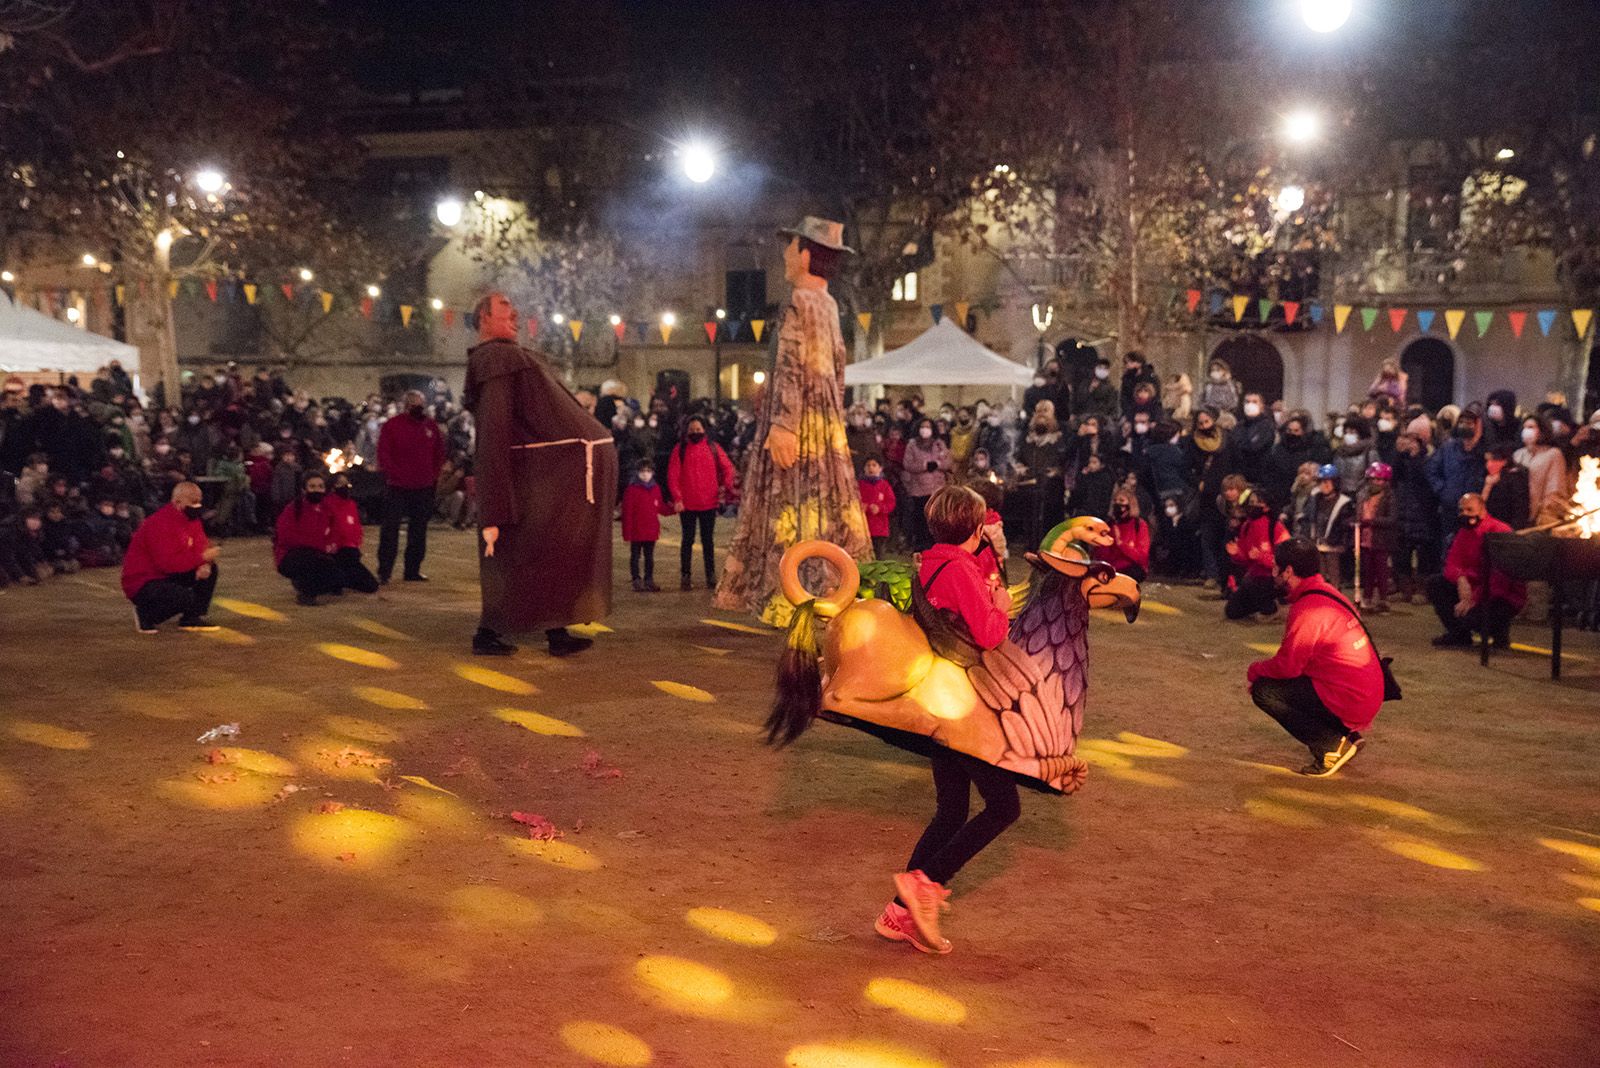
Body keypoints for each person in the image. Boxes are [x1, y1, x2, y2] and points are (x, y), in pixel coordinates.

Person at [878, 485, 1020, 954]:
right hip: (964, 701)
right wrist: (999, 607)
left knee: (952, 811)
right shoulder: (959, 567)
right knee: (1003, 807)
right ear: (977, 528)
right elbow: (988, 633)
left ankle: (899, 914)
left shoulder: (932, 561)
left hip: (941, 696)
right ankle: (927, 887)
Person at [713, 218, 871, 625]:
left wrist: (783, 424)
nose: (784, 255)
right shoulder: (831, 305)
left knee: (789, 507)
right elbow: (839, 368)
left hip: (798, 420)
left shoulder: (798, 302)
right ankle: (832, 589)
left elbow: (788, 368)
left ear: (805, 253)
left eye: (790, 247)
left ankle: (791, 594)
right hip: (825, 423)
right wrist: (834, 421)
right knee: (827, 507)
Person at [467, 292, 618, 657]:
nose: (515, 312)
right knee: (517, 559)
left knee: (551, 556)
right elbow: (494, 429)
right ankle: (488, 633)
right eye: (504, 307)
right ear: (484, 319)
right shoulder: (498, 360)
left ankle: (556, 628)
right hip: (529, 484)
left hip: (547, 480)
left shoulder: (510, 357)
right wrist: (497, 498)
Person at [1246, 538, 1382, 777]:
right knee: (1301, 682)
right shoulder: (1327, 592)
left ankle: (1330, 747)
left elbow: (1288, 667)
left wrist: (1254, 671)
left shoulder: (1309, 607)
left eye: (1277, 567)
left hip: (1352, 696)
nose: (1273, 571)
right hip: (1364, 690)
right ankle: (1345, 736)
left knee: (1264, 690)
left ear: (1288, 571)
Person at [120, 482, 221, 634]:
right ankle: (146, 615)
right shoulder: (159, 524)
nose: (198, 505)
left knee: (210, 571)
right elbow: (167, 564)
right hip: (144, 580)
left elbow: (201, 544)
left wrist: (205, 563)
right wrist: (201, 558)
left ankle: (191, 618)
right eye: (193, 502)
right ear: (177, 502)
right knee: (184, 597)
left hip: (166, 573)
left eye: (199, 501)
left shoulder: (191, 519)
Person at [1428, 493, 1525, 649]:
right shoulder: (1464, 532)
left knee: (1473, 618)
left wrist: (1473, 598)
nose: (1464, 514)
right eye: (1462, 510)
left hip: (1499, 595)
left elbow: (1500, 579)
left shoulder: (1499, 531)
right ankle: (1459, 635)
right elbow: (1452, 562)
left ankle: (1499, 633)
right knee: (1436, 583)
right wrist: (1461, 579)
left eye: (1469, 510)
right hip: (1474, 588)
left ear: (1482, 510)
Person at [376, 389, 446, 583]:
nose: (418, 408)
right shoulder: (392, 426)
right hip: (397, 486)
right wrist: (394, 474)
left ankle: (412, 570)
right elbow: (384, 453)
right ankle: (385, 571)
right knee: (390, 530)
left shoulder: (431, 426)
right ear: (405, 405)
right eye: (414, 404)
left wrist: (433, 474)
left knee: (419, 530)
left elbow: (439, 452)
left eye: (420, 404)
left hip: (423, 486)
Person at [667, 414, 737, 590]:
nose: (695, 432)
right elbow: (673, 476)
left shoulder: (713, 448)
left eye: (698, 429)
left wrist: (726, 486)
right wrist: (678, 498)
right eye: (692, 430)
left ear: (704, 430)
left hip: (709, 502)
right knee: (687, 540)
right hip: (688, 504)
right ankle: (685, 575)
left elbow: (728, 468)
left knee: (708, 541)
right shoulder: (680, 450)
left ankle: (710, 575)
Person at [275, 473, 346, 606]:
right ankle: (307, 594)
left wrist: (330, 546)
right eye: (312, 486)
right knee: (314, 561)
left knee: (338, 577)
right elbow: (285, 537)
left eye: (320, 486)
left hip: (317, 553)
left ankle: (304, 583)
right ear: (304, 489)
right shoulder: (294, 508)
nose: (317, 490)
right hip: (292, 556)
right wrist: (318, 546)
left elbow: (335, 533)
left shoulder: (327, 510)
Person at [1225, 490, 1289, 620]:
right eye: (1251, 502)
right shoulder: (1247, 526)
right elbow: (1246, 559)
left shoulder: (1275, 527)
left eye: (1257, 502)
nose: (1252, 505)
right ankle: (1261, 605)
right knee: (1232, 611)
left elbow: (1286, 559)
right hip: (1254, 577)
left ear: (1266, 506)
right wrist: (1236, 553)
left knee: (1256, 584)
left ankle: (1273, 608)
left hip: (1273, 579)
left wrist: (1261, 557)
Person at [901, 417, 952, 550]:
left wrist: (937, 464)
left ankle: (935, 545)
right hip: (918, 490)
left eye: (928, 427)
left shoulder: (939, 444)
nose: (925, 430)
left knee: (935, 519)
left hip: (936, 489)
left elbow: (948, 462)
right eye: (923, 427)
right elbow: (908, 464)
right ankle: (920, 546)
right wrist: (924, 465)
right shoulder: (912, 444)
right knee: (920, 519)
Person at [1301, 463, 1353, 586]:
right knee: (1320, 573)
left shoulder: (1343, 502)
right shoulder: (1315, 499)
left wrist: (1339, 540)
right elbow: (1309, 518)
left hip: (1334, 544)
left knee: (1334, 573)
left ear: (1335, 483)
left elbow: (1344, 524)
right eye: (1322, 482)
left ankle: (1334, 596)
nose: (1325, 485)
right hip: (1318, 542)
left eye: (1328, 482)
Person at [327, 473, 380, 595]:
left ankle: (342, 578)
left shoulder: (351, 504)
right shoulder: (328, 504)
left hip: (350, 550)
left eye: (346, 483)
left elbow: (355, 527)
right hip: (335, 551)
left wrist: (355, 544)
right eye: (340, 483)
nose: (345, 486)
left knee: (371, 585)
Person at [621, 460, 669, 592]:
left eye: (648, 471)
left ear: (653, 473)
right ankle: (636, 579)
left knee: (649, 557)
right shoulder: (631, 490)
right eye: (642, 471)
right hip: (636, 531)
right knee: (635, 556)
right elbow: (627, 514)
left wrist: (673, 508)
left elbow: (660, 507)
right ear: (637, 472)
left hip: (651, 531)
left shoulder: (656, 489)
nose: (645, 474)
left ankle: (649, 579)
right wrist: (627, 534)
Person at [1357, 462, 1396, 612]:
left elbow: (1392, 518)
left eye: (1380, 480)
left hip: (1380, 540)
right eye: (1374, 479)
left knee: (1381, 571)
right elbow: (1359, 513)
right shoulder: (1363, 495)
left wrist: (1373, 521)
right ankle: (1367, 597)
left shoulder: (1389, 497)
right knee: (1367, 571)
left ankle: (1383, 599)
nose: (1376, 483)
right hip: (1366, 539)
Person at [1098, 487, 1150, 583]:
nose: (1118, 504)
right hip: (1112, 570)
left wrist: (1121, 544)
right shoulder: (1108, 525)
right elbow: (1102, 555)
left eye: (1122, 500)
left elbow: (1142, 557)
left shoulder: (1139, 525)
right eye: (1115, 500)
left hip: (1132, 571)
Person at [858, 456, 897, 558]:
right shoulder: (859, 485)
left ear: (880, 468)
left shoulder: (884, 485)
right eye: (868, 465)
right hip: (863, 527)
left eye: (874, 465)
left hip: (880, 528)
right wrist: (861, 506)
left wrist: (880, 508)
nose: (871, 468)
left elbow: (891, 503)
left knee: (879, 555)